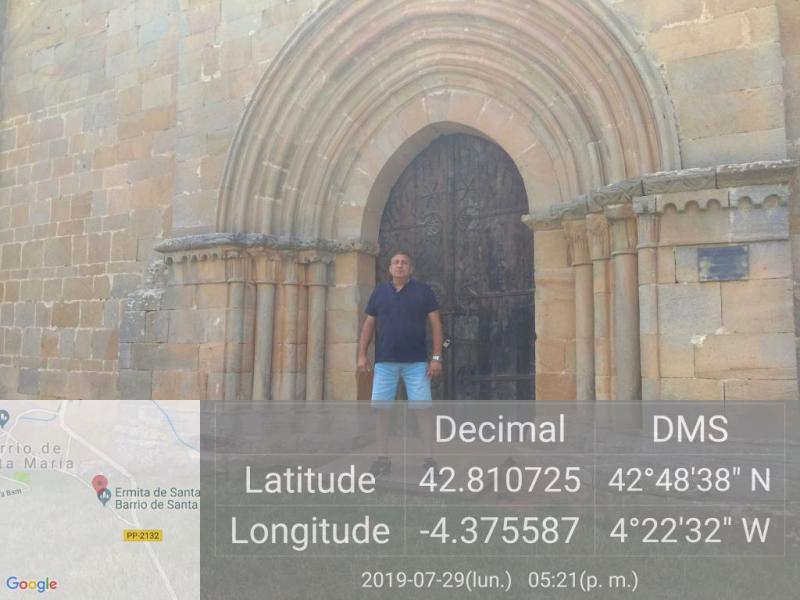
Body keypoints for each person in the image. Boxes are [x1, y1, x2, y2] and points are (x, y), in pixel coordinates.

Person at [357, 251, 443, 477]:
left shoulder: (423, 291)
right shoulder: (379, 292)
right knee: (382, 412)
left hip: (416, 363)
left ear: (410, 269)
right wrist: (362, 355)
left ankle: (429, 460)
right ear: (390, 269)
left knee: (423, 411)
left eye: (404, 263)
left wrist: (436, 357)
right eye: (395, 262)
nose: (400, 265)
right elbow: (369, 324)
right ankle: (382, 459)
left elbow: (436, 323)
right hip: (385, 363)